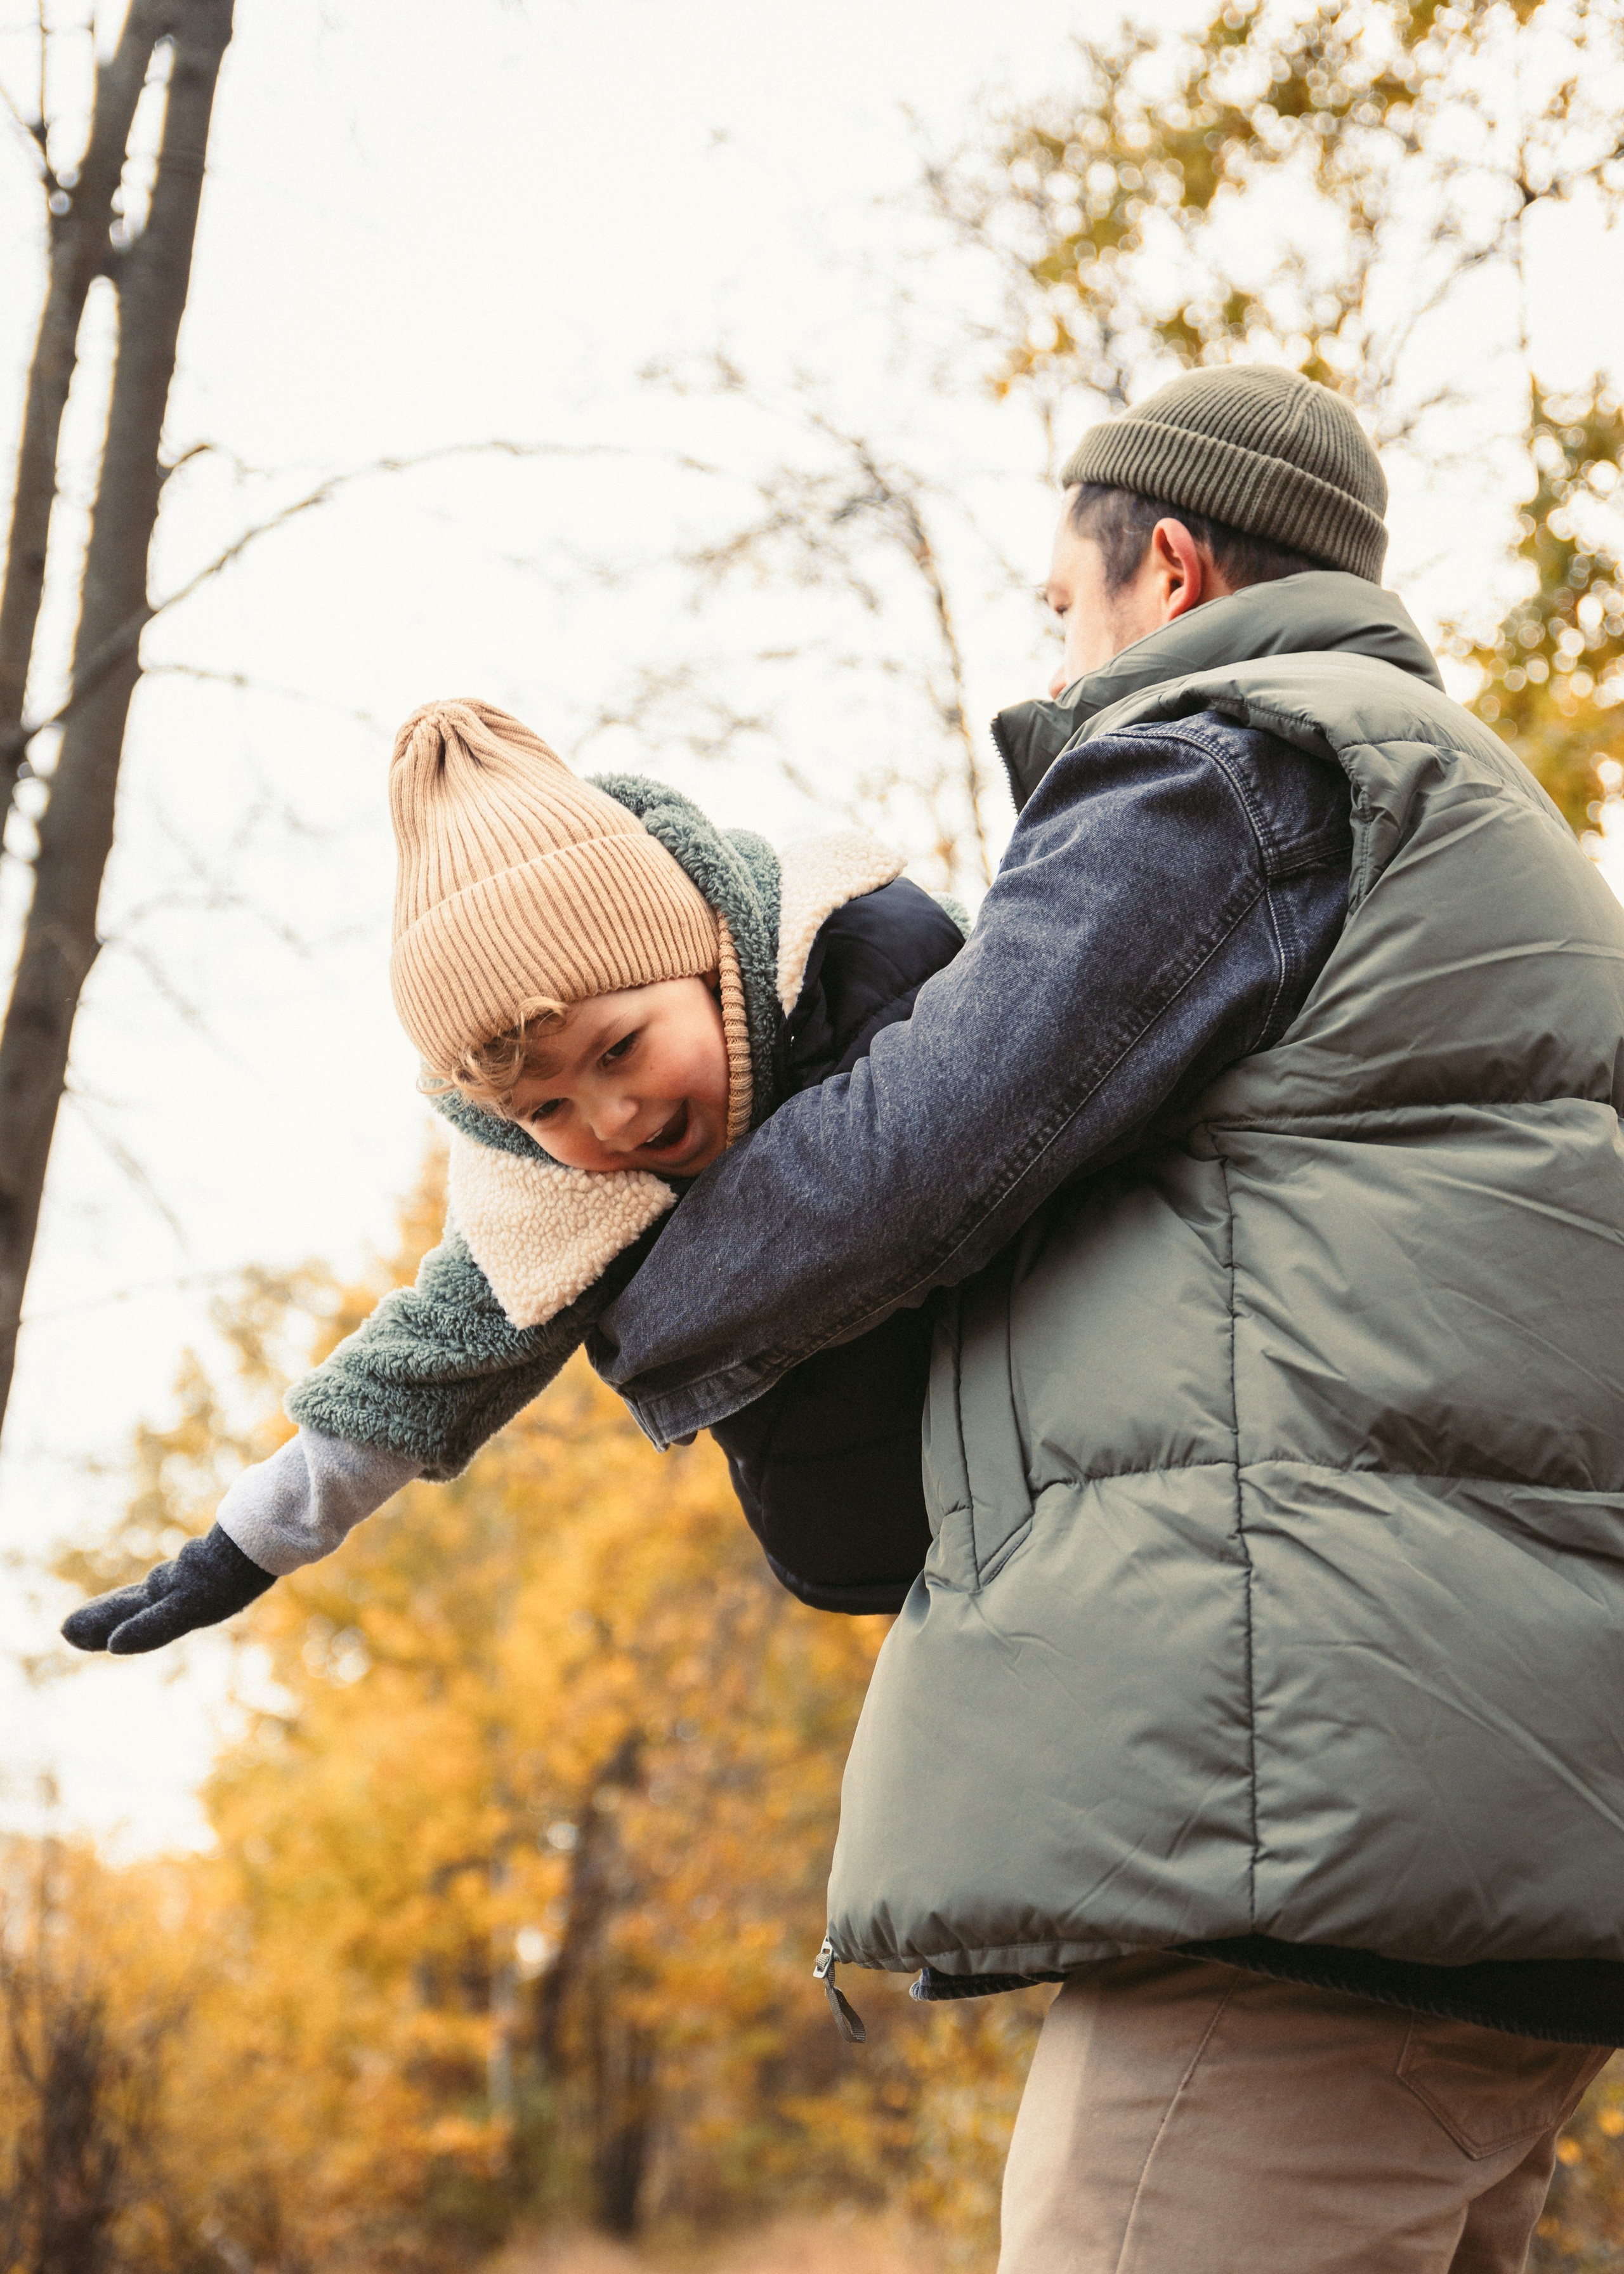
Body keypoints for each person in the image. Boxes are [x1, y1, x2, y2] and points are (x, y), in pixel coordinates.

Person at [567, 366, 1624, 2272]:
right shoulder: (1478, 825)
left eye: (1064, 607)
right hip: (1487, 1844)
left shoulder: (1235, 757)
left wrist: (614, 1284)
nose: (1061, 651)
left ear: (1171, 562)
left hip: (1309, 1835)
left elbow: (924, 1145)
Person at [62, 699, 965, 1652]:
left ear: (705, 957)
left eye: (619, 1048)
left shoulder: (881, 960)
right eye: (545, 1110)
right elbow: (419, 1366)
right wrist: (240, 1549)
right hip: (904, 1554)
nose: (611, 1121)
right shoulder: (560, 1192)